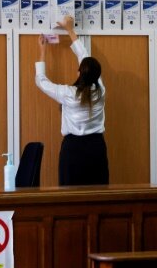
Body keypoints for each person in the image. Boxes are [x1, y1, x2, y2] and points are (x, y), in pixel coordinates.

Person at [35, 15, 109, 186]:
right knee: (98, 195)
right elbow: (84, 57)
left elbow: (41, 81)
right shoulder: (100, 89)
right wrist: (70, 30)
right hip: (97, 147)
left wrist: (43, 51)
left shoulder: (69, 94)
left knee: (71, 196)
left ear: (79, 73)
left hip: (73, 149)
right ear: (97, 75)